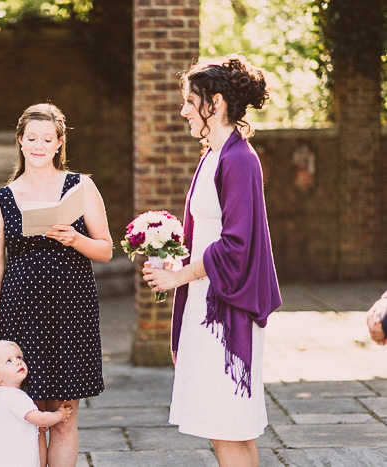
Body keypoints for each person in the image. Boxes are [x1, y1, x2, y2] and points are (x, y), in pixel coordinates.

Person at [141, 55, 282, 467]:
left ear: (215, 102)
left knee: (227, 428)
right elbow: (206, 232)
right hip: (208, 304)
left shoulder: (238, 160)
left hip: (226, 313)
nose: (183, 110)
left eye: (190, 100)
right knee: (228, 429)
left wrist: (179, 277)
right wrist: (171, 258)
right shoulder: (214, 155)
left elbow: (236, 245)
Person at [0, 103, 113, 467]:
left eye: (47, 139)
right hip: (22, 318)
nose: (38, 145)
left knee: (65, 419)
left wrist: (75, 239)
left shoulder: (81, 187)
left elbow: (106, 250)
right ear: (20, 141)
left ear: (58, 143)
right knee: (30, 419)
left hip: (72, 314)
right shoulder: (1, 199)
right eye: (31, 138)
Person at [0, 340, 73, 467]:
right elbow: (42, 419)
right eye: (9, 361)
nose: (18, 362)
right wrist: (61, 414)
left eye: (18, 357)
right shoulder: (16, 398)